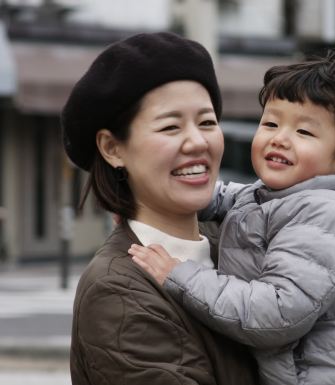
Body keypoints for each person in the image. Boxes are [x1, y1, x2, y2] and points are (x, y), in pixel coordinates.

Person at [128, 51, 335, 385]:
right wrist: (163, 194)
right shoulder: (277, 195)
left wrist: (181, 276)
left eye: (304, 132)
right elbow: (228, 198)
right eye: (270, 123)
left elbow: (278, 314)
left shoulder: (326, 213)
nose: (280, 138)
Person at [62, 32, 258, 385]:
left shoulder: (242, 243)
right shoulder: (118, 292)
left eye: (207, 122)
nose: (198, 141)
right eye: (170, 126)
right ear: (112, 148)